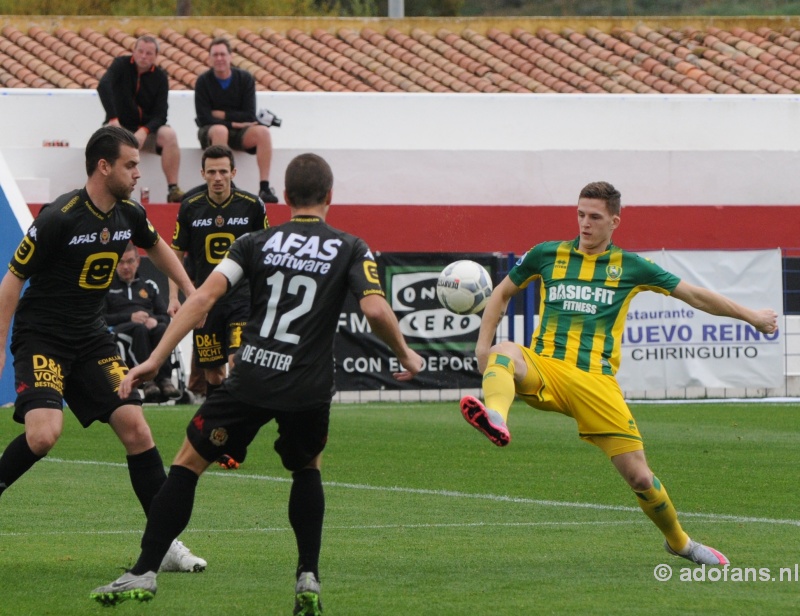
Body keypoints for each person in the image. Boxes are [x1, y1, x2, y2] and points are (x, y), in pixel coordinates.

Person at [90, 153, 424, 614]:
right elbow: (374, 310)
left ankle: (144, 569)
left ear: (285, 198)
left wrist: (155, 358)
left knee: (188, 463)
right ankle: (308, 575)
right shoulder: (351, 246)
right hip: (308, 388)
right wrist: (405, 353)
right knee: (307, 468)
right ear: (330, 197)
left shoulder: (255, 241)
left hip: (251, 378)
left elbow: (204, 296)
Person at [459, 181, 778, 568]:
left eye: (594, 217)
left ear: (614, 222)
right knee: (504, 352)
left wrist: (752, 316)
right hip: (546, 369)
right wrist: (481, 348)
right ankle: (496, 417)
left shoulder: (630, 266)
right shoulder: (547, 255)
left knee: (641, 478)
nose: (585, 224)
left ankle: (680, 543)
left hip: (596, 384)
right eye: (580, 215)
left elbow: (693, 295)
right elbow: (501, 292)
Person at [0, 125, 206, 573]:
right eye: (131, 165)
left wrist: (192, 291)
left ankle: (165, 543)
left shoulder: (129, 215)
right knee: (43, 435)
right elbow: (12, 279)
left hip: (92, 340)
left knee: (137, 428)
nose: (137, 173)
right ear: (104, 166)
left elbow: (159, 247)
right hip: (43, 340)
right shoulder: (59, 216)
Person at [168, 144, 267, 399]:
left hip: (241, 300)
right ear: (203, 174)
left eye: (223, 171)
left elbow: (265, 253)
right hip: (206, 302)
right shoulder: (190, 206)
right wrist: (173, 297)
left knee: (237, 362)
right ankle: (215, 421)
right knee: (213, 374)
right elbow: (175, 254)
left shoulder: (252, 205)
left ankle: (237, 419)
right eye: (211, 172)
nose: (218, 178)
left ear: (233, 172)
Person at [97, 35, 185, 203]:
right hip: (119, 126)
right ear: (134, 51)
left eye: (149, 53)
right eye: (141, 51)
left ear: (156, 56)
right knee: (105, 138)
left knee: (169, 135)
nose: (144, 56)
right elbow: (103, 86)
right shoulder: (120, 65)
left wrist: (145, 131)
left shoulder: (160, 77)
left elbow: (161, 114)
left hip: (147, 131)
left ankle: (173, 189)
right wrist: (114, 118)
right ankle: (108, 189)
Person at [194, 36, 278, 204]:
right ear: (209, 58)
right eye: (215, 55)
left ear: (230, 57)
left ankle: (264, 187)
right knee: (220, 130)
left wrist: (222, 115)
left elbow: (249, 115)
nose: (219, 58)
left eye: (223, 54)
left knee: (263, 132)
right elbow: (204, 118)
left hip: (241, 132)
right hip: (211, 132)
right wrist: (231, 122)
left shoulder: (245, 79)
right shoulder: (203, 82)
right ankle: (226, 184)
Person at [103, 242, 181, 402]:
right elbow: (101, 318)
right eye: (121, 262)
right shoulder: (107, 287)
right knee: (139, 329)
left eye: (130, 261)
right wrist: (130, 317)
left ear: (138, 261)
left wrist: (154, 320)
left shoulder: (149, 286)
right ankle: (147, 380)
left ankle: (165, 379)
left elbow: (165, 315)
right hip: (120, 330)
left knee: (161, 328)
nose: (126, 267)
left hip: (149, 328)